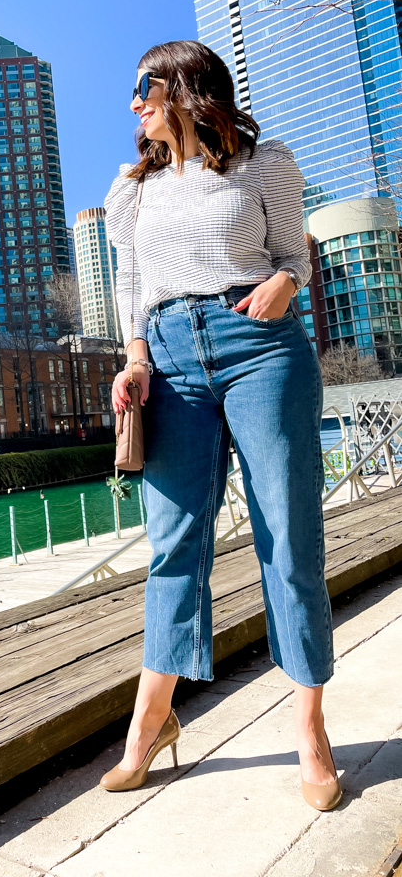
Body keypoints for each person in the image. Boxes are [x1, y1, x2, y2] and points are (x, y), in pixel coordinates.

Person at [101, 40, 340, 811]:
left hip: (258, 347)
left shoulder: (263, 163)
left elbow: (293, 255)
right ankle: (151, 722)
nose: (134, 101)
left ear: (184, 87)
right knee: (173, 541)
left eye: (144, 85)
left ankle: (309, 730)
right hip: (167, 361)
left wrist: (284, 283)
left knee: (289, 533)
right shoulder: (133, 192)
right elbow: (131, 291)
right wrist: (133, 361)